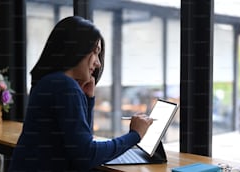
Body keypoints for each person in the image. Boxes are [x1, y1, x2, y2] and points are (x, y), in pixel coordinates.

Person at [9, 16, 153, 171]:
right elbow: (86, 156)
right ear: (77, 49)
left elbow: (81, 143)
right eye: (95, 52)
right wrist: (135, 134)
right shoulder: (65, 86)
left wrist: (88, 99)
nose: (97, 63)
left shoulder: (50, 81)